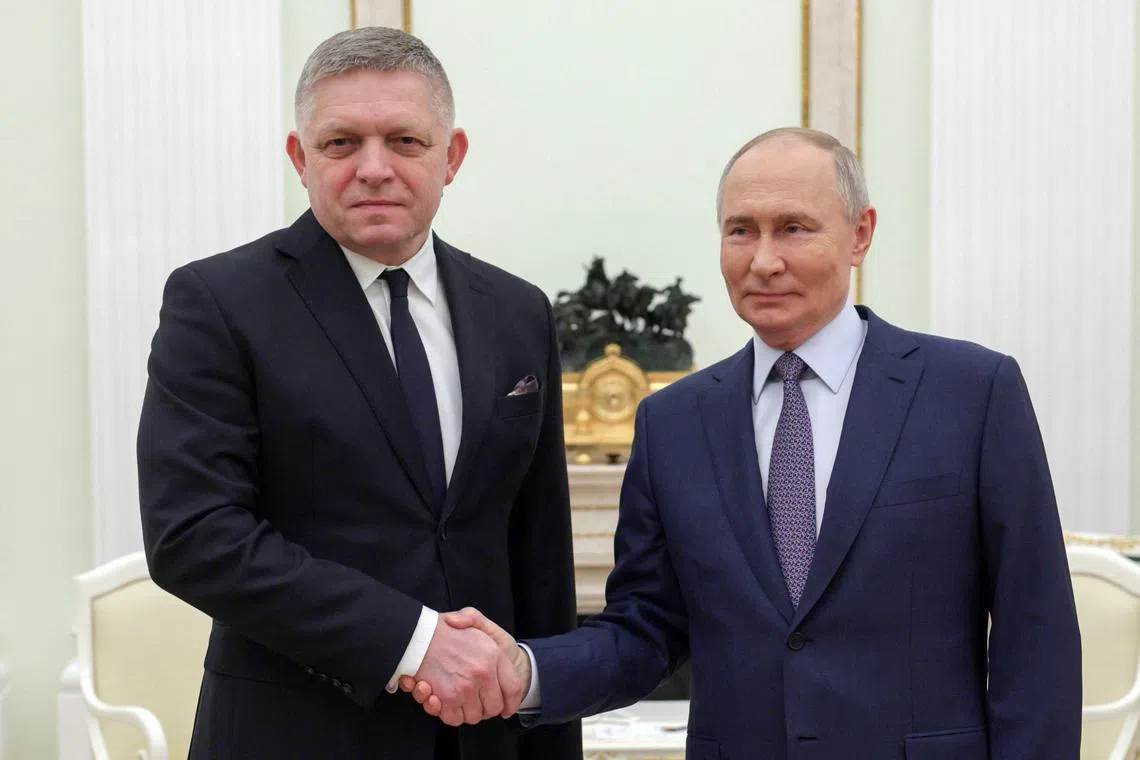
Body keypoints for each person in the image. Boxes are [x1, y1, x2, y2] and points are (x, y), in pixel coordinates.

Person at [403, 127, 1083, 758]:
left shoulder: (971, 392)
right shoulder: (671, 423)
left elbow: (1037, 634)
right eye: (740, 231)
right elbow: (646, 629)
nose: (763, 261)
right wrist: (525, 671)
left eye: (793, 228)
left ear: (860, 233)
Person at [137, 26, 581, 760]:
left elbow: (539, 556)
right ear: (300, 159)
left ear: (452, 156)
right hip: (296, 736)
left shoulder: (518, 310)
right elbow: (194, 537)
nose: (374, 168)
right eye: (342, 143)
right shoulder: (217, 303)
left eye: (404, 141)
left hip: (487, 741)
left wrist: (550, 731)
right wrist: (412, 641)